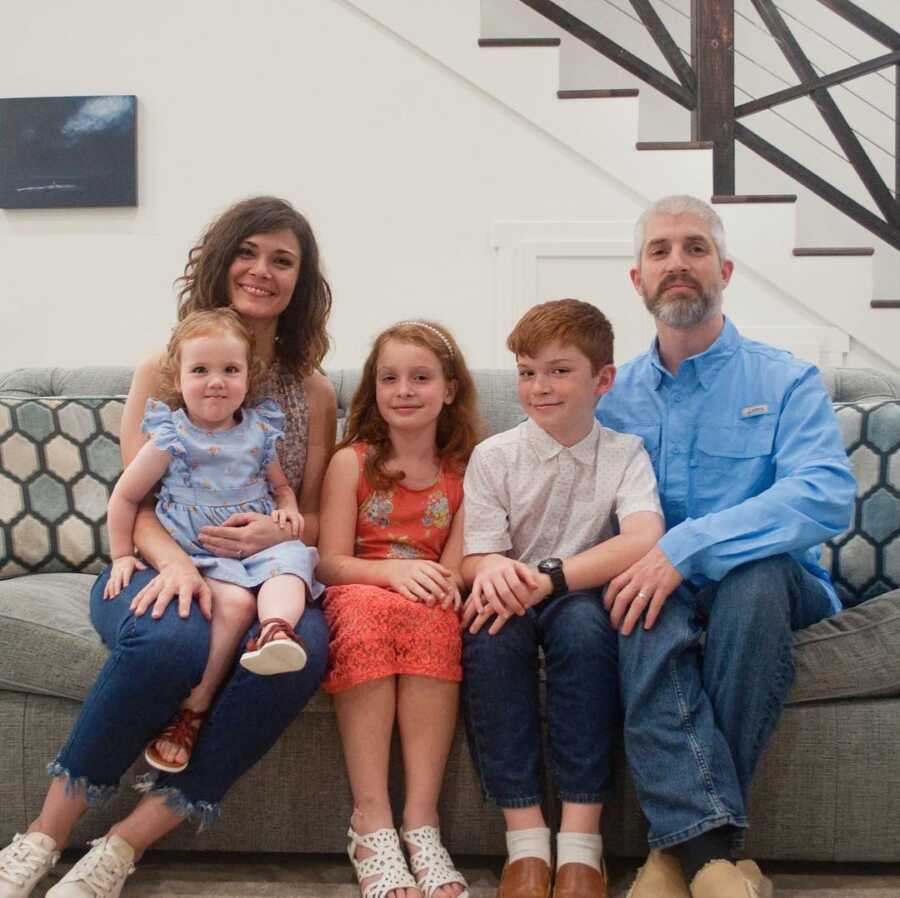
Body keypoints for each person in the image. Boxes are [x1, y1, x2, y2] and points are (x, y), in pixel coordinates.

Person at [0, 196, 336, 898]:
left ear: (301, 282)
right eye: (247, 252)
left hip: (266, 570)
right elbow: (138, 497)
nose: (261, 271)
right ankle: (44, 833)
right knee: (170, 645)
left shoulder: (311, 390)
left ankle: (123, 846)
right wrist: (178, 564)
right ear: (219, 262)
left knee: (298, 653)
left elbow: (305, 510)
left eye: (283, 260)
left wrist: (280, 528)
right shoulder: (164, 368)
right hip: (164, 557)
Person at [596, 195, 855, 898]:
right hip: (662, 589)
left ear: (725, 269)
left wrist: (691, 545)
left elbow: (827, 493)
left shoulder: (785, 379)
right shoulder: (609, 401)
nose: (677, 262)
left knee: (751, 576)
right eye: (660, 250)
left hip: (774, 586)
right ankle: (711, 856)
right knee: (636, 599)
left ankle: (670, 851)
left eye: (694, 247)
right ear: (638, 279)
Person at [460, 299, 664, 898]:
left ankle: (581, 843)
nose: (539, 387)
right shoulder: (494, 456)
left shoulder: (625, 453)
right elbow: (479, 553)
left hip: (577, 595)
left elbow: (644, 537)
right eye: (527, 372)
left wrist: (550, 577)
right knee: (488, 632)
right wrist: (493, 569)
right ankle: (524, 841)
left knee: (583, 631)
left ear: (603, 379)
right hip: (512, 598)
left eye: (558, 371)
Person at [104, 308, 322, 774]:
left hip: (257, 542)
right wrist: (122, 554)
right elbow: (126, 496)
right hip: (196, 551)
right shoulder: (169, 436)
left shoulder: (260, 431)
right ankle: (193, 710)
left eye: (230, 370)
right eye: (200, 370)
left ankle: (277, 629)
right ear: (177, 377)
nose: (216, 382)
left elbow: (282, 488)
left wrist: (286, 511)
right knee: (236, 604)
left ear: (248, 376)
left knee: (292, 560)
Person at [316, 321, 479, 898]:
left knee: (435, 621)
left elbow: (457, 567)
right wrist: (393, 573)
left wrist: (437, 584)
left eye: (421, 377)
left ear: (450, 389)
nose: (404, 390)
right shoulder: (351, 463)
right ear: (373, 388)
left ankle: (421, 824)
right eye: (390, 378)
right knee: (367, 614)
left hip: (424, 598)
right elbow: (329, 562)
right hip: (359, 587)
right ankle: (371, 825)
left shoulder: (467, 474)